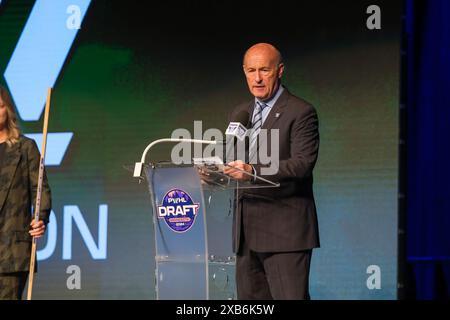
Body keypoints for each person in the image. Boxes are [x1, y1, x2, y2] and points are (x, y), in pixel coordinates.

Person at [223, 43, 320, 300]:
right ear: (244, 72)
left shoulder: (301, 112)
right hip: (246, 236)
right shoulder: (240, 113)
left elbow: (301, 163)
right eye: (251, 70)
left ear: (279, 71)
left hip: (284, 234)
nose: (257, 78)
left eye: (264, 70)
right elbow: (233, 159)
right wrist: (214, 172)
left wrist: (253, 170)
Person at [0, 85, 51, 300]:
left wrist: (40, 218)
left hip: (11, 249)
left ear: (7, 110)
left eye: (0, 106)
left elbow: (40, 188)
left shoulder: (25, 147)